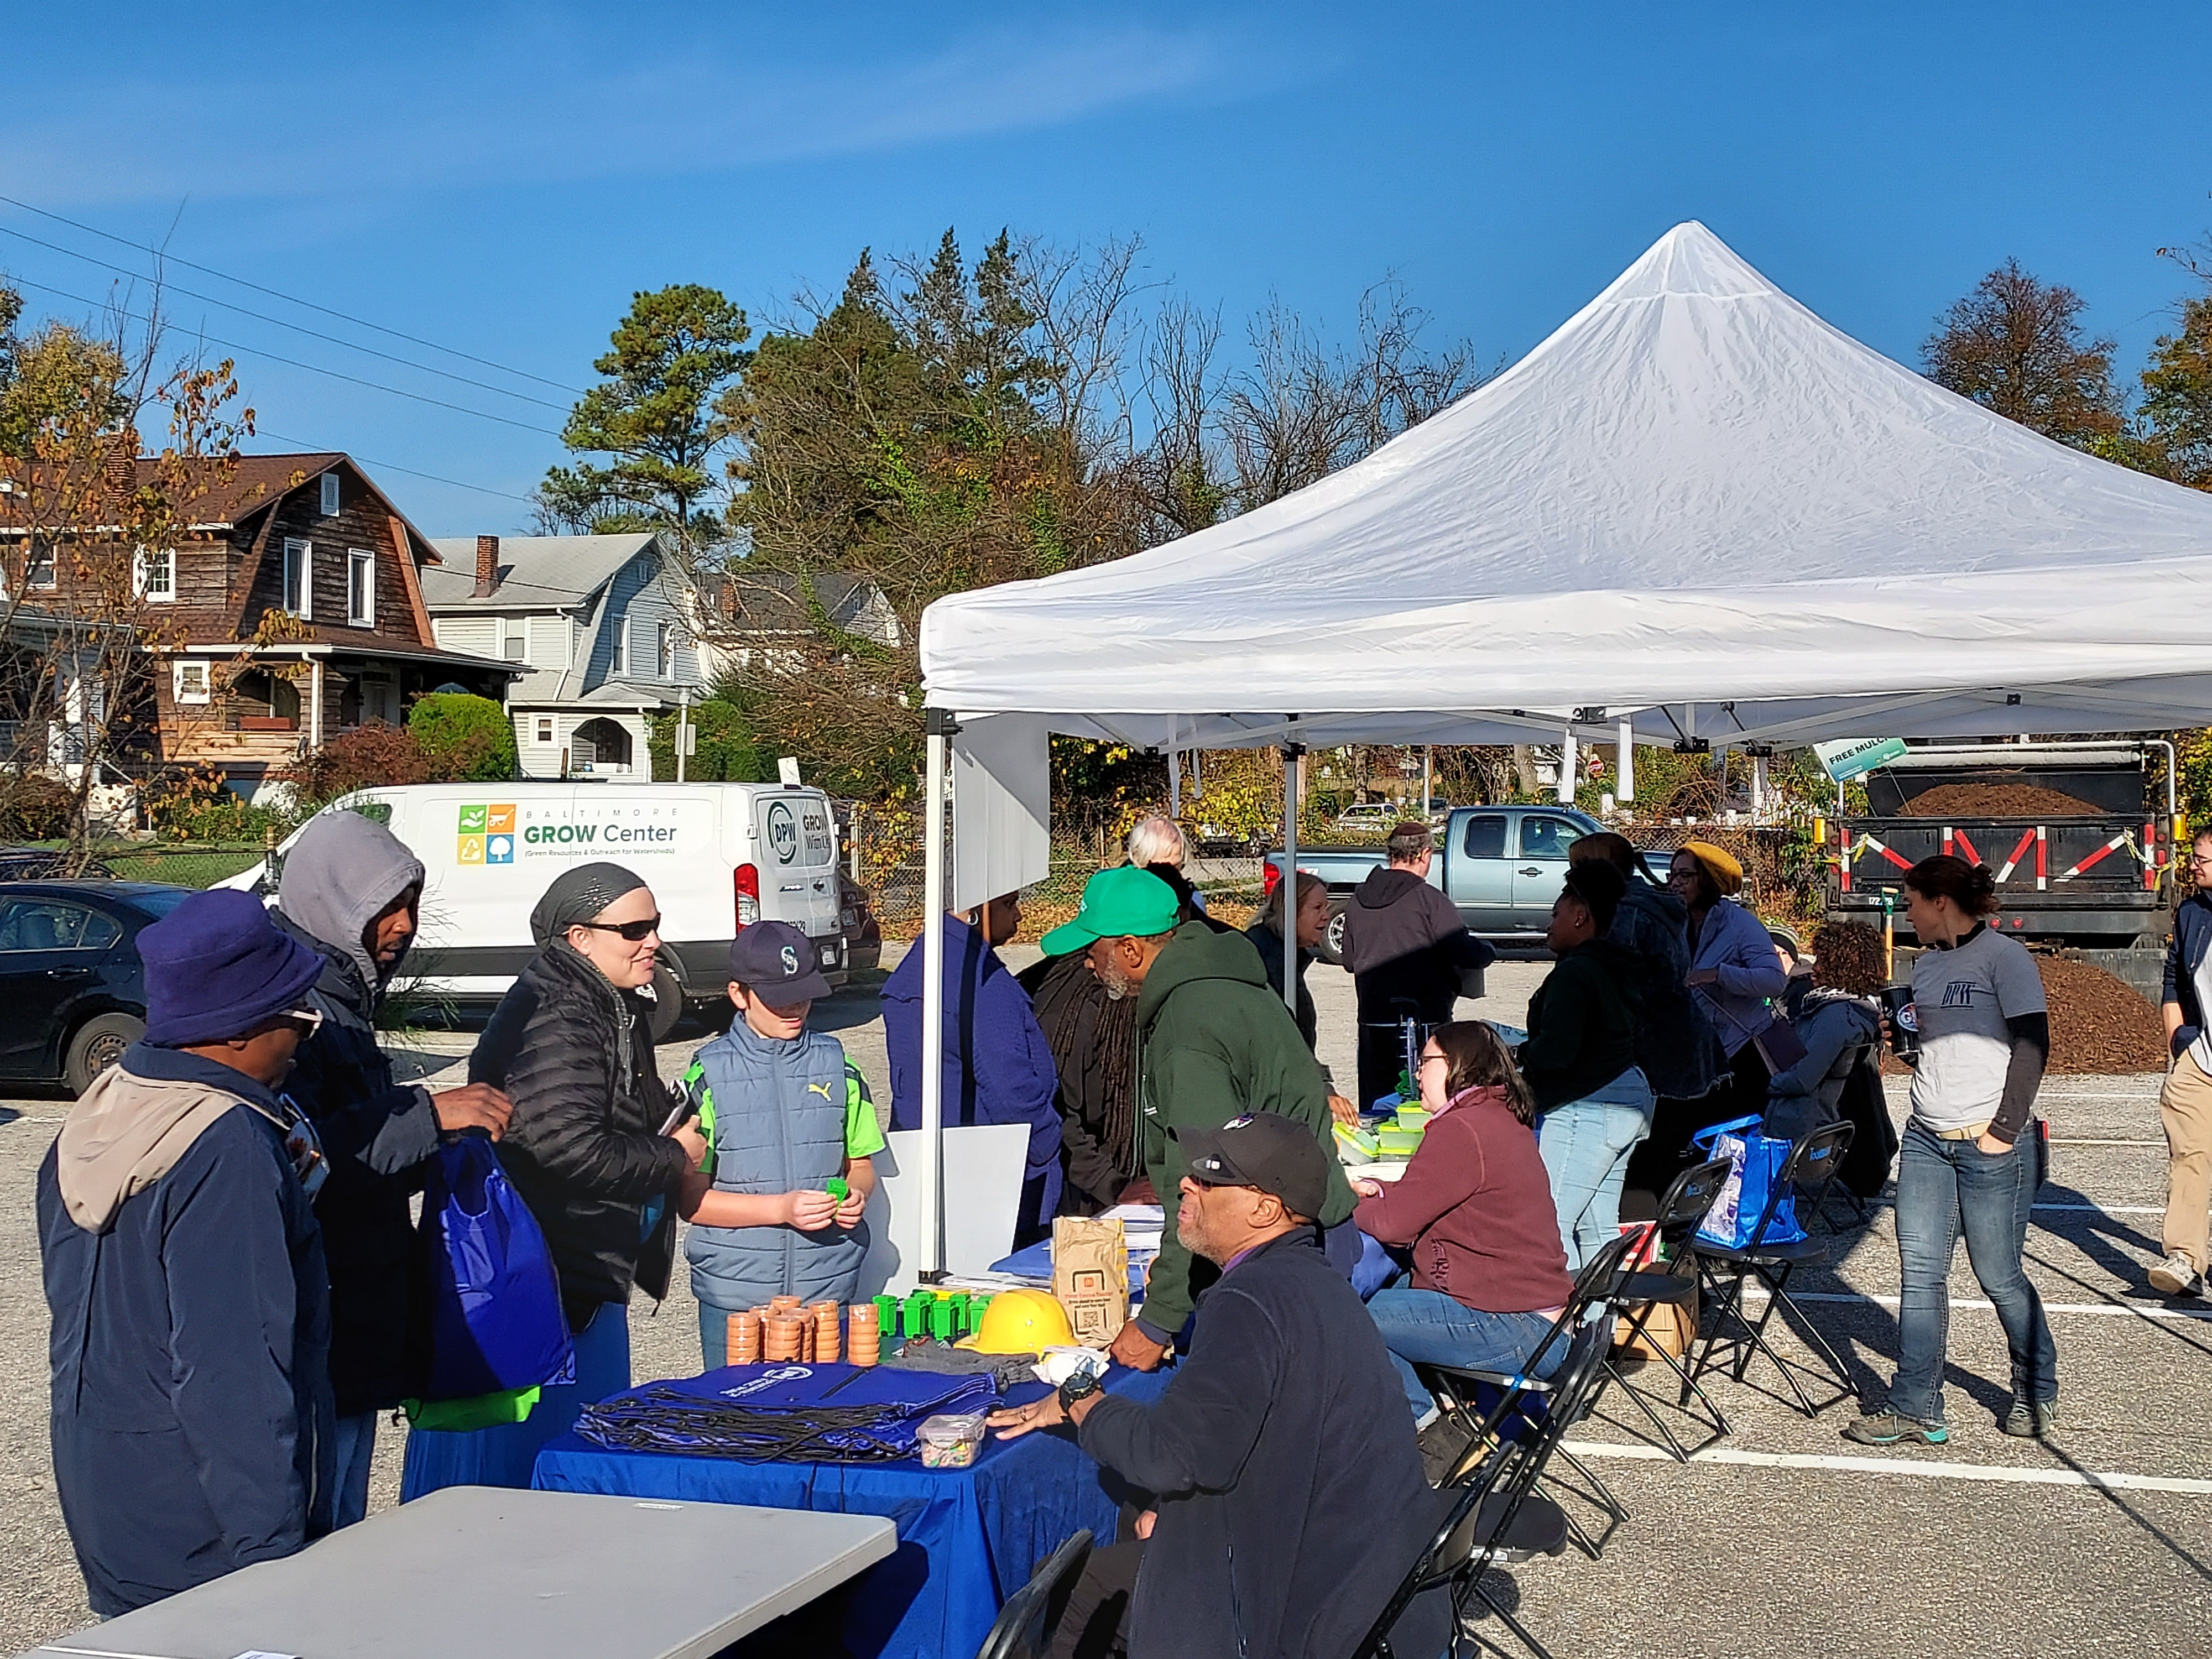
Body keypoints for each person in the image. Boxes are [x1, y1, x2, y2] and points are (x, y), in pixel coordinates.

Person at [987, 1113, 1448, 1659]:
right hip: (1360, 1573)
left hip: (1307, 1605)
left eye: (1210, 1179)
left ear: (1264, 1208)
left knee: (1071, 1584)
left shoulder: (1250, 1303)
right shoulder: (1311, 1280)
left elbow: (1167, 1456)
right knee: (1139, 1510)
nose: (1186, 1183)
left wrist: (1079, 1398)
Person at [38, 889, 333, 1615]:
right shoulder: (225, 1147)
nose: (306, 1036)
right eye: (299, 1016)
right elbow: (231, 1371)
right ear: (234, 1030)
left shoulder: (103, 1109)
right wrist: (273, 1562)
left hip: (110, 1488)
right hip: (209, 1524)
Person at [401, 864, 708, 1496]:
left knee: (566, 1460)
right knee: (541, 1471)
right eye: (633, 929)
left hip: (570, 1275)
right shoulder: (559, 1015)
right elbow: (564, 1147)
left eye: (654, 925)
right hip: (545, 1285)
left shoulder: (602, 1002)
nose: (652, 940)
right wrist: (671, 1154)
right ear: (578, 938)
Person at [273, 808, 514, 1528]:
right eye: (385, 907)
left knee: (345, 1527)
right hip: (318, 1326)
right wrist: (428, 1116)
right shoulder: (294, 1008)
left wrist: (441, 1144)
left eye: (409, 905)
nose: (403, 924)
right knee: (314, 1539)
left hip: (356, 1327)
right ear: (333, 902)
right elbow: (302, 1162)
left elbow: (364, 1169)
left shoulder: (343, 997)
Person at [1040, 865, 1356, 1373]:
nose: (1087, 967)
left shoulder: (1190, 1025)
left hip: (1281, 1245)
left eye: (1092, 952)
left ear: (1130, 950)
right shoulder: (1218, 984)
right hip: (1299, 1226)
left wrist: (1157, 1321)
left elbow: (1209, 1182)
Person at [1846, 855, 2057, 1447]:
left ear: (1940, 902)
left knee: (1999, 1277)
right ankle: (1915, 1405)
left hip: (1990, 1143)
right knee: (1919, 1275)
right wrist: (1903, 1044)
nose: (1906, 914)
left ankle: (2035, 1386)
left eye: (1911, 902)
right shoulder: (1924, 967)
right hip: (1926, 1139)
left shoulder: (2004, 958)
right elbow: (1934, 1049)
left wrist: (2003, 1131)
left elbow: (2032, 1045)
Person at [681, 921, 883, 1365]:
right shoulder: (708, 1076)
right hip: (735, 1296)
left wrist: (856, 1194)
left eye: (804, 993)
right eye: (777, 998)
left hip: (827, 1288)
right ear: (739, 995)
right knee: (737, 1424)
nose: (794, 1008)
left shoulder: (840, 1066)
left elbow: (861, 1165)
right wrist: (780, 1209)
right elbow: (690, 1201)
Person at [1354, 1021, 1573, 1431]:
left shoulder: (1463, 1128)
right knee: (1383, 1289)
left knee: (1342, 1312)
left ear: (1458, 1064)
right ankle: (1441, 1409)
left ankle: (1429, 1426)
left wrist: (1347, 1198)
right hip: (1537, 1317)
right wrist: (1378, 1190)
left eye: (1425, 1062)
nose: (1417, 1074)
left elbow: (1392, 1225)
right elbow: (1421, 1197)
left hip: (1517, 1328)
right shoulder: (1495, 1114)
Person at [882, 891, 1061, 1241]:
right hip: (998, 1175)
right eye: (1009, 904)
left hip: (926, 1162)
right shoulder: (981, 980)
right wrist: (1047, 1141)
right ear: (978, 909)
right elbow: (1011, 1086)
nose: (1019, 916)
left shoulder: (920, 964)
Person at [1519, 862, 1651, 1269]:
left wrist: (1515, 1055)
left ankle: (1565, 1327)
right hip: (1629, 1093)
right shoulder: (1619, 962)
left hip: (1587, 1103)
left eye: (1556, 914)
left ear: (1580, 915)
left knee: (1551, 1226)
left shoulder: (1576, 973)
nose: (1550, 925)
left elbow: (1558, 1050)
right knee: (1596, 1226)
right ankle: (1598, 1326)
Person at [1341, 821, 1497, 1108]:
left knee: (1377, 1108)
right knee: (1419, 1103)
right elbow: (1465, 952)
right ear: (1425, 855)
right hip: (1424, 1021)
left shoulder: (1357, 900)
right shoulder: (1429, 900)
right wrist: (1487, 950)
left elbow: (1349, 961)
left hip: (1373, 1021)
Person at [2152, 827, 2212, 1297]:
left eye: (2203, 859)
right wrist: (2178, 1038)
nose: (2194, 865)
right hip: (2199, 1057)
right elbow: (2174, 975)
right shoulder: (2192, 913)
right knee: (2190, 1156)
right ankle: (2186, 1258)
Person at [1761, 921, 1885, 1145]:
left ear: (1842, 966)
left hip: (1800, 1130)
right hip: (1808, 1124)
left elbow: (1802, 1079)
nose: (1815, 968)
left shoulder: (1836, 1016)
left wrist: (1761, 1084)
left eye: (1823, 961)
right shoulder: (1846, 1010)